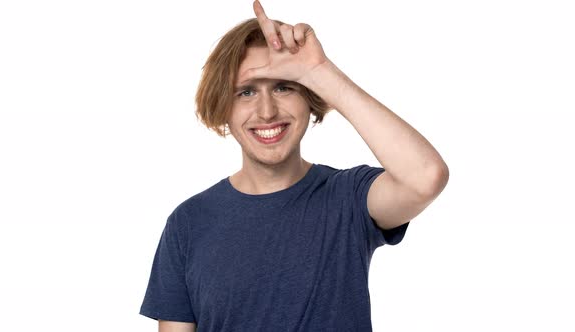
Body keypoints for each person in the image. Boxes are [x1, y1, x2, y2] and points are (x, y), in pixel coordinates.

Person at [139, 1, 449, 331]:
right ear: (223, 108)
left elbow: (426, 176)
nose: (267, 111)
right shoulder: (188, 223)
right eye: (245, 92)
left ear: (309, 98)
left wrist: (319, 72)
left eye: (283, 87)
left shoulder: (348, 198)